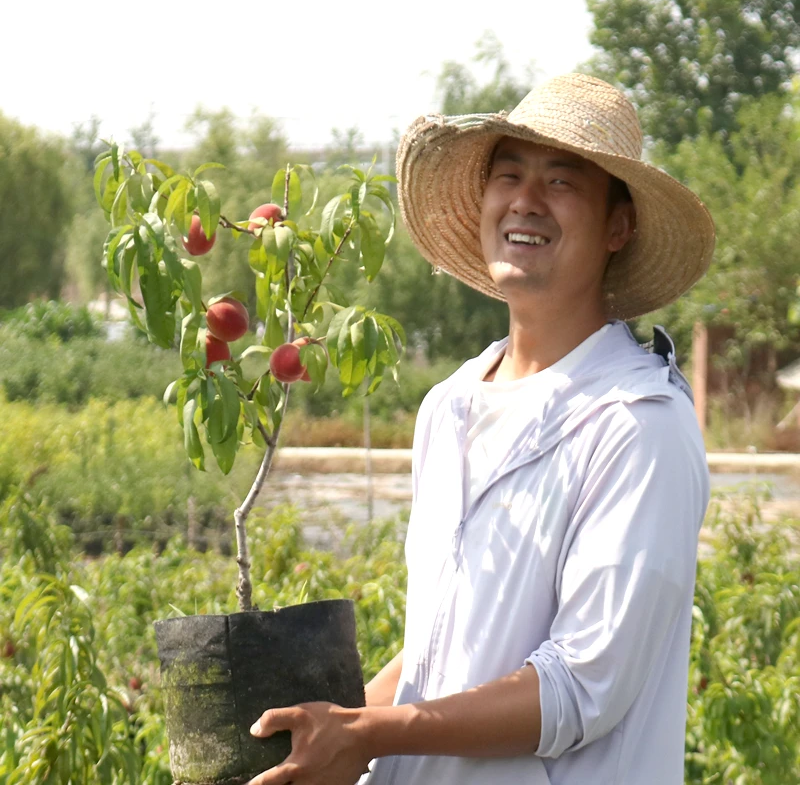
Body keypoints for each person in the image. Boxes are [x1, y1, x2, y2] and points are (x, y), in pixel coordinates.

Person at [246, 73, 716, 785]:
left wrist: (367, 732)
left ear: (618, 226)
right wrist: (317, 741)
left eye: (562, 182)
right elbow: (441, 649)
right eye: (508, 175)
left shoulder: (636, 425)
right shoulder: (451, 404)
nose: (525, 199)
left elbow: (579, 687)